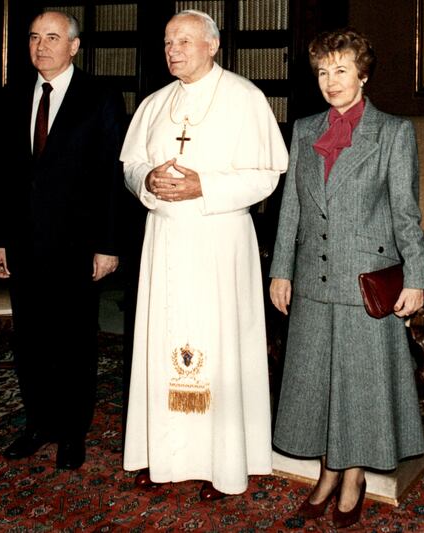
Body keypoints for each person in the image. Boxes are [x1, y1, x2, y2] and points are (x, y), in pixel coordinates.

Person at [120, 9, 288, 499]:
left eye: (184, 41)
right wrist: (147, 180)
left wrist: (204, 186)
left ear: (212, 46)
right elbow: (131, 164)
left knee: (219, 348)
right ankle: (164, 456)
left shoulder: (244, 97)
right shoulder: (154, 103)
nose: (173, 51)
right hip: (165, 238)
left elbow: (266, 175)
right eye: (168, 42)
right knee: (161, 342)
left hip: (219, 239)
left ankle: (222, 464)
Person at [269, 28, 424, 528]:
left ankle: (352, 476)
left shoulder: (393, 132)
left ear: (363, 74)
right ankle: (326, 471)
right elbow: (291, 209)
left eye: (341, 69)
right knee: (316, 381)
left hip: (365, 280)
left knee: (360, 386)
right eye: (323, 71)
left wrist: (417, 277)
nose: (330, 80)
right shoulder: (304, 129)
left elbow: (406, 212)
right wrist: (280, 270)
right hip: (312, 277)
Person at [0, 10, 125, 470]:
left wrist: (108, 244)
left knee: (75, 341)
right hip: (23, 244)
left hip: (77, 246)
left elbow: (112, 176)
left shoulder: (100, 97)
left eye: (53, 37)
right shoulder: (12, 95)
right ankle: (38, 423)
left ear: (74, 46)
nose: (41, 46)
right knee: (31, 341)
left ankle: (73, 432)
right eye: (34, 37)